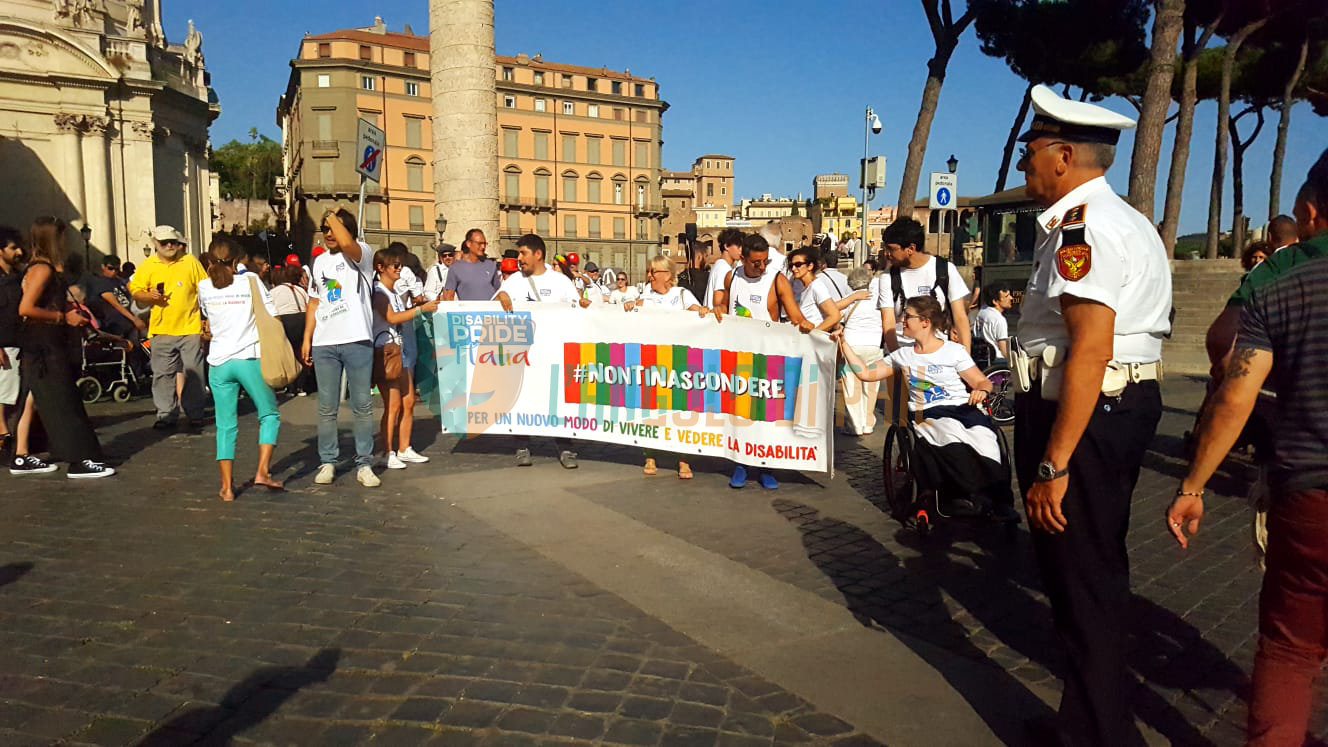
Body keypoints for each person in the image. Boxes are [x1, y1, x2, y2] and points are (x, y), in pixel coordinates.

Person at [1011, 84, 1171, 746]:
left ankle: (1105, 735)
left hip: (1085, 414)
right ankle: (1082, 725)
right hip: (1108, 409)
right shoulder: (1119, 219)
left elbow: (1090, 349)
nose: (1024, 164)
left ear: (1063, 156)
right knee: (1087, 574)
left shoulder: (1085, 229)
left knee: (1083, 583)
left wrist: (1054, 463)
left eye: (1031, 152)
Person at [1168, 148, 1328, 746]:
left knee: (1289, 649)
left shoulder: (1276, 283)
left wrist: (1192, 486)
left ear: (1309, 213)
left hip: (1310, 492)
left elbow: (1235, 395)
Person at [839, 294, 1012, 514]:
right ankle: (965, 495)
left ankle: (999, 499)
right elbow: (865, 373)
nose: (902, 320)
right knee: (948, 434)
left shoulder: (953, 350)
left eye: (907, 316)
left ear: (925, 322)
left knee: (984, 439)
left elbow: (981, 381)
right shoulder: (903, 355)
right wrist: (843, 343)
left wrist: (981, 390)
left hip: (962, 408)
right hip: (928, 412)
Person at [15, 217, 114, 478]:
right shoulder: (42, 269)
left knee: (32, 397)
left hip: (42, 341)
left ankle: (21, 454)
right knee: (63, 399)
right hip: (45, 343)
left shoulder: (41, 268)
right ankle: (78, 459)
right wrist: (62, 317)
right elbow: (26, 308)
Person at [716, 233, 815, 489]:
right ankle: (740, 464)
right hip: (739, 356)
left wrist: (814, 330)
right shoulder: (731, 277)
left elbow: (795, 317)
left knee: (767, 413)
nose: (762, 267)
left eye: (765, 261)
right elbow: (724, 306)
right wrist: (716, 309)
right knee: (740, 412)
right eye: (756, 262)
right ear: (743, 258)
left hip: (769, 357)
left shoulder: (777, 279)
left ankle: (765, 467)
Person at [197, 237, 283, 502]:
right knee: (269, 414)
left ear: (209, 261)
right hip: (248, 357)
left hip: (219, 361)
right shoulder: (251, 281)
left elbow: (207, 319)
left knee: (225, 425)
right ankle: (262, 471)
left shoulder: (203, 286)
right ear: (237, 261)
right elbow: (273, 315)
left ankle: (226, 487)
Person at [301, 209, 380, 488]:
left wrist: (332, 216)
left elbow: (348, 244)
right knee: (326, 408)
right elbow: (314, 301)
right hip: (325, 342)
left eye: (334, 228)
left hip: (357, 338)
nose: (329, 233)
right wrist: (307, 337)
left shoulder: (363, 253)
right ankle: (328, 461)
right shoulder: (319, 261)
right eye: (325, 229)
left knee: (362, 406)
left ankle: (364, 463)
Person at [496, 233, 581, 469]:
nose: (519, 259)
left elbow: (577, 309)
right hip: (525, 353)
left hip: (555, 352)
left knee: (559, 399)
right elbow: (495, 303)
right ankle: (522, 445)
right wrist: (501, 294)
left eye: (523, 253)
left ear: (538, 254)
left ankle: (565, 446)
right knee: (523, 396)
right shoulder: (514, 281)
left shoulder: (561, 282)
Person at [128, 225, 208, 430]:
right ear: (155, 243)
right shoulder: (148, 265)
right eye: (164, 242)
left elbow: (205, 288)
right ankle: (166, 414)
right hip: (161, 329)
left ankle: (195, 413)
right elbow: (136, 290)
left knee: (194, 372)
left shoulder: (190, 261)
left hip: (190, 327)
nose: (170, 245)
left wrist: (207, 317)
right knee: (163, 374)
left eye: (173, 241)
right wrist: (148, 296)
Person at [371, 248, 439, 470]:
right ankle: (386, 451)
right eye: (395, 265)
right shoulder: (379, 292)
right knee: (392, 405)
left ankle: (404, 447)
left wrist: (418, 307)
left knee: (408, 401)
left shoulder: (393, 293)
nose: (399, 269)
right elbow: (391, 317)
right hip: (386, 352)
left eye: (400, 265)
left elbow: (401, 315)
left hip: (400, 351)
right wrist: (420, 310)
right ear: (381, 268)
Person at [876, 217, 972, 353]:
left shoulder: (945, 270)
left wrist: (966, 358)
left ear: (911, 248)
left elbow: (960, 317)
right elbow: (888, 322)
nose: (887, 254)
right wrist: (897, 358)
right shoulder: (888, 277)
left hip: (938, 353)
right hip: (901, 350)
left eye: (891, 249)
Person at [0, 225, 38, 468]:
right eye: (13, 248)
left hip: (19, 340)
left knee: (15, 392)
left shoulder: (16, 276)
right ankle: (3, 436)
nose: (19, 252)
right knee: (4, 393)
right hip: (5, 343)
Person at [835, 266, 883, 436]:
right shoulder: (878, 299)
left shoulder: (849, 300)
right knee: (871, 386)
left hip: (852, 345)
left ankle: (855, 424)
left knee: (851, 385)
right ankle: (868, 423)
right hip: (874, 344)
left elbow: (834, 314)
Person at [268, 265, 313, 395]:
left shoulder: (274, 292)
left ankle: (290, 386)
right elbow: (308, 304)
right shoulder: (300, 290)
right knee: (300, 353)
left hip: (286, 320)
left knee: (288, 353)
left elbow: (270, 309)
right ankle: (301, 386)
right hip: (302, 318)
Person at [86, 256, 146, 343]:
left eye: (117, 269)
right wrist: (134, 319)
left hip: (130, 324)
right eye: (110, 268)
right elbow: (116, 304)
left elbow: (132, 295)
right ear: (103, 266)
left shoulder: (119, 281)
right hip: (115, 326)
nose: (114, 271)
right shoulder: (100, 283)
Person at [786, 246, 842, 332]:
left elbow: (835, 316)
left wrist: (814, 333)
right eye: (791, 265)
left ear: (810, 266)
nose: (793, 268)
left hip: (812, 338)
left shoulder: (816, 286)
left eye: (798, 265)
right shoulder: (804, 288)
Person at [442, 229, 500, 301]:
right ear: (468, 243)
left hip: (490, 308)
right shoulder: (455, 268)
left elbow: (499, 292)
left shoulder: (491, 265)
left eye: (485, 244)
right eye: (479, 243)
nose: (483, 247)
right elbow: (448, 296)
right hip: (467, 308)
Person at [971, 281, 1013, 363]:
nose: (1011, 298)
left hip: (981, 359)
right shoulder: (999, 320)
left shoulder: (982, 311)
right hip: (997, 362)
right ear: (995, 301)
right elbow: (1004, 349)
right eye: (1007, 296)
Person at [705, 229, 745, 310]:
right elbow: (718, 301)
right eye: (738, 246)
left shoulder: (719, 265)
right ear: (726, 246)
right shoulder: (723, 268)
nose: (741, 250)